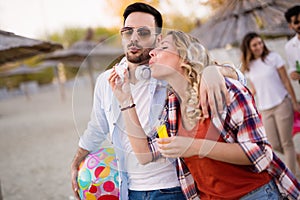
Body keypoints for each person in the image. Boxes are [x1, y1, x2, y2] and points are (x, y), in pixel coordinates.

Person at [71, 2, 244, 200]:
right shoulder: (106, 80)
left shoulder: (168, 72)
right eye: (128, 32)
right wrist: (77, 159)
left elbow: (237, 77)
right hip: (129, 188)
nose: (133, 38)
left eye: (143, 33)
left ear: (157, 38)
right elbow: (97, 126)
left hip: (174, 186)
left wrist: (213, 71)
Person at [109, 30, 300, 199]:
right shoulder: (171, 108)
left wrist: (194, 146)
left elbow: (261, 153)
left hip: (254, 194)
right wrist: (125, 100)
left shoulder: (227, 90)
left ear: (185, 57)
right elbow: (145, 154)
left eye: (163, 47)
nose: (152, 52)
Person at [240, 32, 300, 175]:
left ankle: (293, 177)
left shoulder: (274, 58)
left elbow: (286, 80)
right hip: (265, 109)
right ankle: (297, 157)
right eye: (254, 45)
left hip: (282, 103)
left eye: (260, 43)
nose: (258, 46)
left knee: (287, 143)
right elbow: (254, 89)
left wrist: (294, 101)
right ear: (248, 48)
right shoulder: (249, 67)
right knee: (274, 144)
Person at [284, 5, 300, 82]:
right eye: (296, 22)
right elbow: (293, 66)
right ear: (290, 26)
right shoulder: (289, 46)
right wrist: (292, 72)